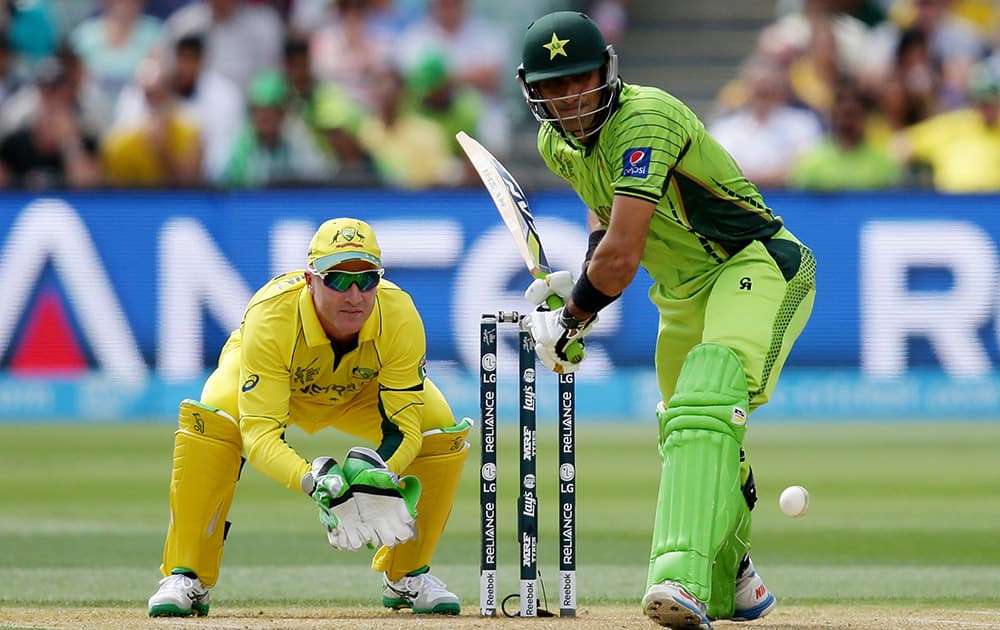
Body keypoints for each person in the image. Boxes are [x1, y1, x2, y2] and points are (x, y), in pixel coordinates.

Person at [515, 11, 816, 630]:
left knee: (707, 396)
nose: (570, 96)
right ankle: (735, 578)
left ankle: (680, 578)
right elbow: (608, 226)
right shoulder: (557, 144)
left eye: (581, 79)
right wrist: (577, 290)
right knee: (687, 429)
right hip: (682, 292)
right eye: (555, 85)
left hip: (753, 264)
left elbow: (622, 258)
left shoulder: (645, 118)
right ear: (534, 92)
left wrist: (571, 319)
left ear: (606, 72)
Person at [147, 217, 471, 617]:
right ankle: (187, 576)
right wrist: (315, 480)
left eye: (367, 279)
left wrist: (375, 475)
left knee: (440, 429)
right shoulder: (271, 315)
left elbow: (404, 429)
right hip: (279, 385)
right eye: (338, 279)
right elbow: (260, 434)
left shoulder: (399, 314)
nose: (354, 295)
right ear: (310, 279)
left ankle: (406, 577)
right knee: (214, 416)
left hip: (360, 393)